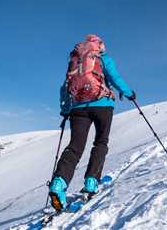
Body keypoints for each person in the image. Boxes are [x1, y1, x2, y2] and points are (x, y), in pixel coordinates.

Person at [49, 34, 135, 211]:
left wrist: (66, 110)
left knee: (75, 147)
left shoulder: (76, 60)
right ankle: (91, 181)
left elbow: (65, 86)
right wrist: (129, 93)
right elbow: (115, 78)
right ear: (100, 45)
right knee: (101, 142)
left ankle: (58, 183)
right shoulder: (103, 59)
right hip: (103, 105)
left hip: (78, 108)